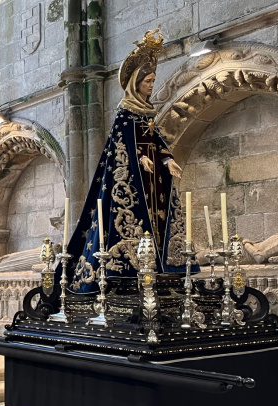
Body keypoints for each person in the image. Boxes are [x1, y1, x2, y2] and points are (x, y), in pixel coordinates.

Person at [66, 28, 191, 293]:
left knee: (160, 218)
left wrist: (167, 160)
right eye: (148, 81)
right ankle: (128, 273)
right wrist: (140, 158)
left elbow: (157, 140)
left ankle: (162, 266)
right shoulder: (125, 113)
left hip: (153, 180)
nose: (151, 85)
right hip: (134, 178)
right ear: (136, 82)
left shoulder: (147, 113)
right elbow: (121, 145)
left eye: (153, 80)